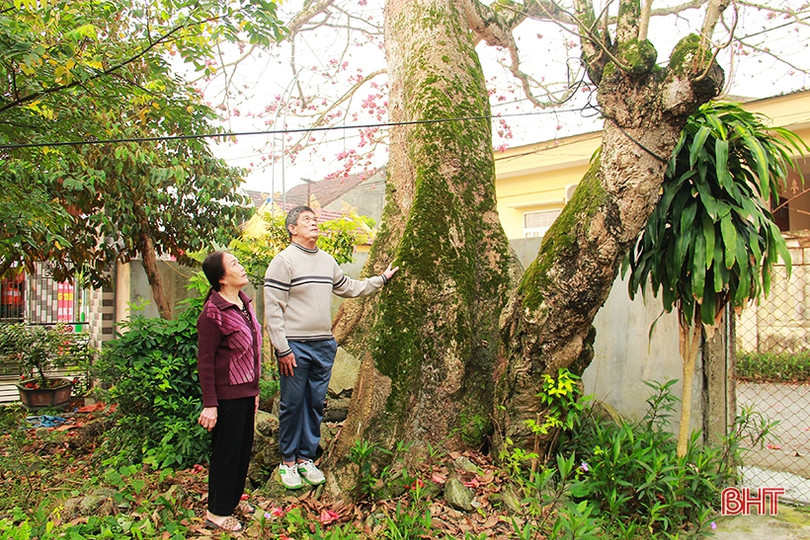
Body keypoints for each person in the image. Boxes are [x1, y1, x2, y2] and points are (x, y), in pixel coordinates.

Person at [264, 205, 398, 489]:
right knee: (291, 404)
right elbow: (273, 309)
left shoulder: (326, 260)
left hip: (323, 344)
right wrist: (282, 348)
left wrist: (381, 280)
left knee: (314, 403)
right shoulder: (283, 261)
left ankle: (306, 459)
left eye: (315, 219)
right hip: (295, 346)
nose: (314, 223)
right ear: (292, 229)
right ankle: (287, 461)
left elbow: (349, 287)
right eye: (306, 220)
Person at [197, 251, 262, 532]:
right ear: (222, 278)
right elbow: (206, 361)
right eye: (235, 264)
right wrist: (210, 403)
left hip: (246, 392)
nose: (242, 266)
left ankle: (232, 500)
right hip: (227, 396)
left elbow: (252, 351)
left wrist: (255, 390)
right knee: (226, 453)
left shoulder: (243, 303)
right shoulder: (213, 313)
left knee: (242, 451)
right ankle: (217, 512)